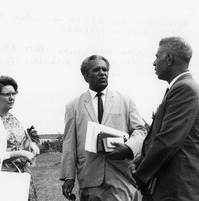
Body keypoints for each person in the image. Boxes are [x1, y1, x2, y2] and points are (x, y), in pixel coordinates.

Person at [60, 54, 147, 201]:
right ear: (86, 76)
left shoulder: (126, 101)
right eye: (96, 70)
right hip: (89, 178)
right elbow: (69, 143)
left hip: (121, 176)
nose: (102, 73)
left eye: (105, 69)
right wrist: (68, 177)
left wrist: (128, 148)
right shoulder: (73, 106)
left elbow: (140, 130)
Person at [131, 37, 199, 201]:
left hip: (175, 190)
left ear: (169, 59)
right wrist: (140, 160)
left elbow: (168, 141)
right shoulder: (180, 87)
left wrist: (140, 175)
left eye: (157, 57)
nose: (154, 63)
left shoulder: (184, 89)